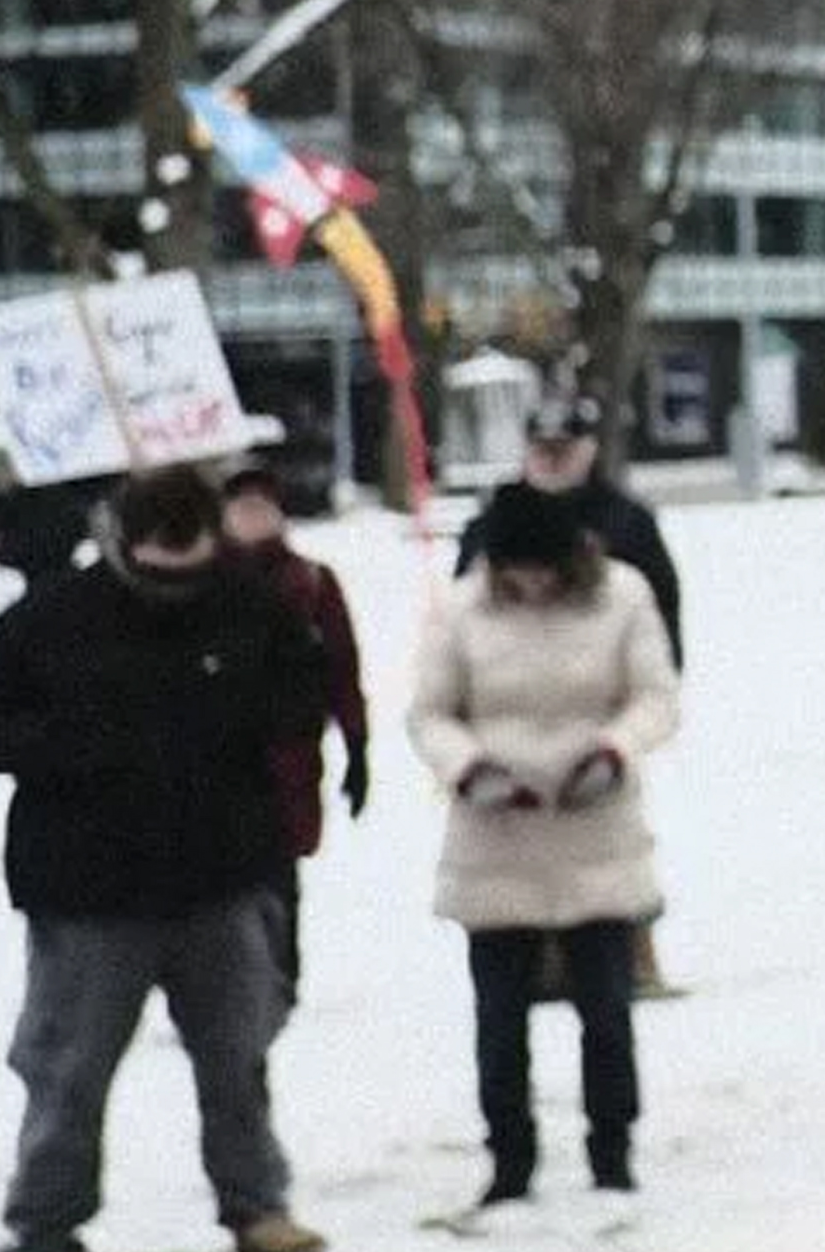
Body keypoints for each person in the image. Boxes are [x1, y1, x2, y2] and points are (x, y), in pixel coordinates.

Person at [0, 463, 332, 1252]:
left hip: (219, 877)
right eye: (157, 569)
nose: (174, 587)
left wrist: (250, 727)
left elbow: (307, 690)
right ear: (121, 543)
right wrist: (72, 749)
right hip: (88, 892)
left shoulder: (247, 605)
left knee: (237, 1055)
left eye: (188, 569)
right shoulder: (49, 618)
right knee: (67, 1072)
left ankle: (257, 1203)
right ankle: (42, 1239)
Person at [417, 480, 681, 1204]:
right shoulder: (460, 610)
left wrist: (615, 751)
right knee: (499, 1019)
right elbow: (430, 712)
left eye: (544, 569)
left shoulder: (622, 597)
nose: (531, 583)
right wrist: (467, 768)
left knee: (607, 1009)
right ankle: (509, 1157)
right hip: (495, 839)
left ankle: (612, 1150)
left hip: (597, 833)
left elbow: (657, 696)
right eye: (516, 571)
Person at [217, 462, 370, 1014]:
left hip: (290, 754)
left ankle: (279, 972)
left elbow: (343, 668)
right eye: (242, 508)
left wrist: (357, 745)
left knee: (280, 869)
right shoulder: (205, 583)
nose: (253, 518)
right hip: (219, 756)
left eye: (262, 507)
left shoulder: (310, 583)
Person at [463, 395, 685, 670]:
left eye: (563, 449)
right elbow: (462, 610)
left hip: (601, 684)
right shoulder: (491, 525)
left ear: (589, 450)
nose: (551, 459)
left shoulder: (628, 522)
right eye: (541, 448)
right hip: (509, 681)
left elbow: (661, 610)